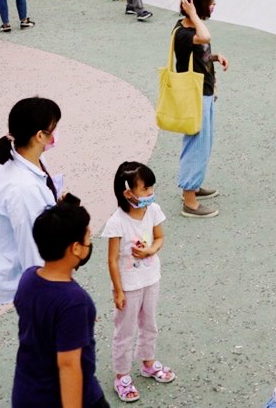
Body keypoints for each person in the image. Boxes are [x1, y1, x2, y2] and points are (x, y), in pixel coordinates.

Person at [11, 196, 104, 408]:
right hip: (67, 398)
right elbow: (68, 365)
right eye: (87, 239)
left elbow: (39, 312)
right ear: (76, 248)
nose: (89, 244)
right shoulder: (74, 302)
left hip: (27, 391)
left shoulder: (29, 278)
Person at [103, 161, 174, 400]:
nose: (150, 194)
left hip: (150, 278)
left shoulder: (153, 210)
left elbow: (159, 237)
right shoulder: (117, 222)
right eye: (146, 189)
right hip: (129, 285)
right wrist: (118, 290)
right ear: (128, 192)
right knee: (125, 330)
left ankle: (147, 362)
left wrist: (150, 251)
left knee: (149, 323)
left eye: (152, 188)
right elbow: (112, 260)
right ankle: (121, 375)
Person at [0, 96, 63, 305]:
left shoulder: (28, 158)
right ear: (40, 135)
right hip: (32, 286)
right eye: (54, 128)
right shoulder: (23, 189)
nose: (55, 134)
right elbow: (32, 251)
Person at [174, 0, 227, 218]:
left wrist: (215, 57)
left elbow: (201, 51)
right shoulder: (184, 33)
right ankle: (189, 200)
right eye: (211, 1)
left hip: (203, 91)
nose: (213, 5)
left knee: (203, 142)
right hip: (195, 95)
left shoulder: (192, 28)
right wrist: (194, 14)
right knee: (196, 144)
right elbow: (204, 37)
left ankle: (193, 186)